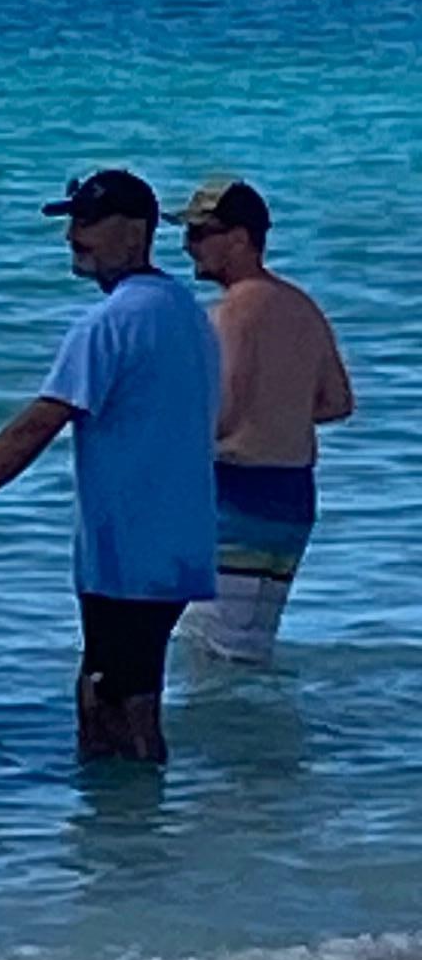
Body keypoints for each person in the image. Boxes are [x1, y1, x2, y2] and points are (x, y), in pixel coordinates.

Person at [0, 167, 219, 766]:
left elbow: (36, 426)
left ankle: (129, 840)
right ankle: (138, 836)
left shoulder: (111, 322)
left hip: (130, 553)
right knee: (123, 692)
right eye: (73, 222)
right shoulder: (184, 309)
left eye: (90, 222)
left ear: (137, 230)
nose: (75, 235)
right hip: (177, 546)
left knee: (115, 703)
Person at [176, 176, 354, 663]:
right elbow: (338, 402)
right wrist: (281, 412)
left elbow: (223, 411)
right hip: (293, 499)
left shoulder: (230, 312)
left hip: (237, 498)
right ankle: (268, 736)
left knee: (210, 655)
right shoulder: (302, 305)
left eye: (198, 234)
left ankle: (230, 740)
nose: (187, 247)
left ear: (238, 239)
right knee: (252, 649)